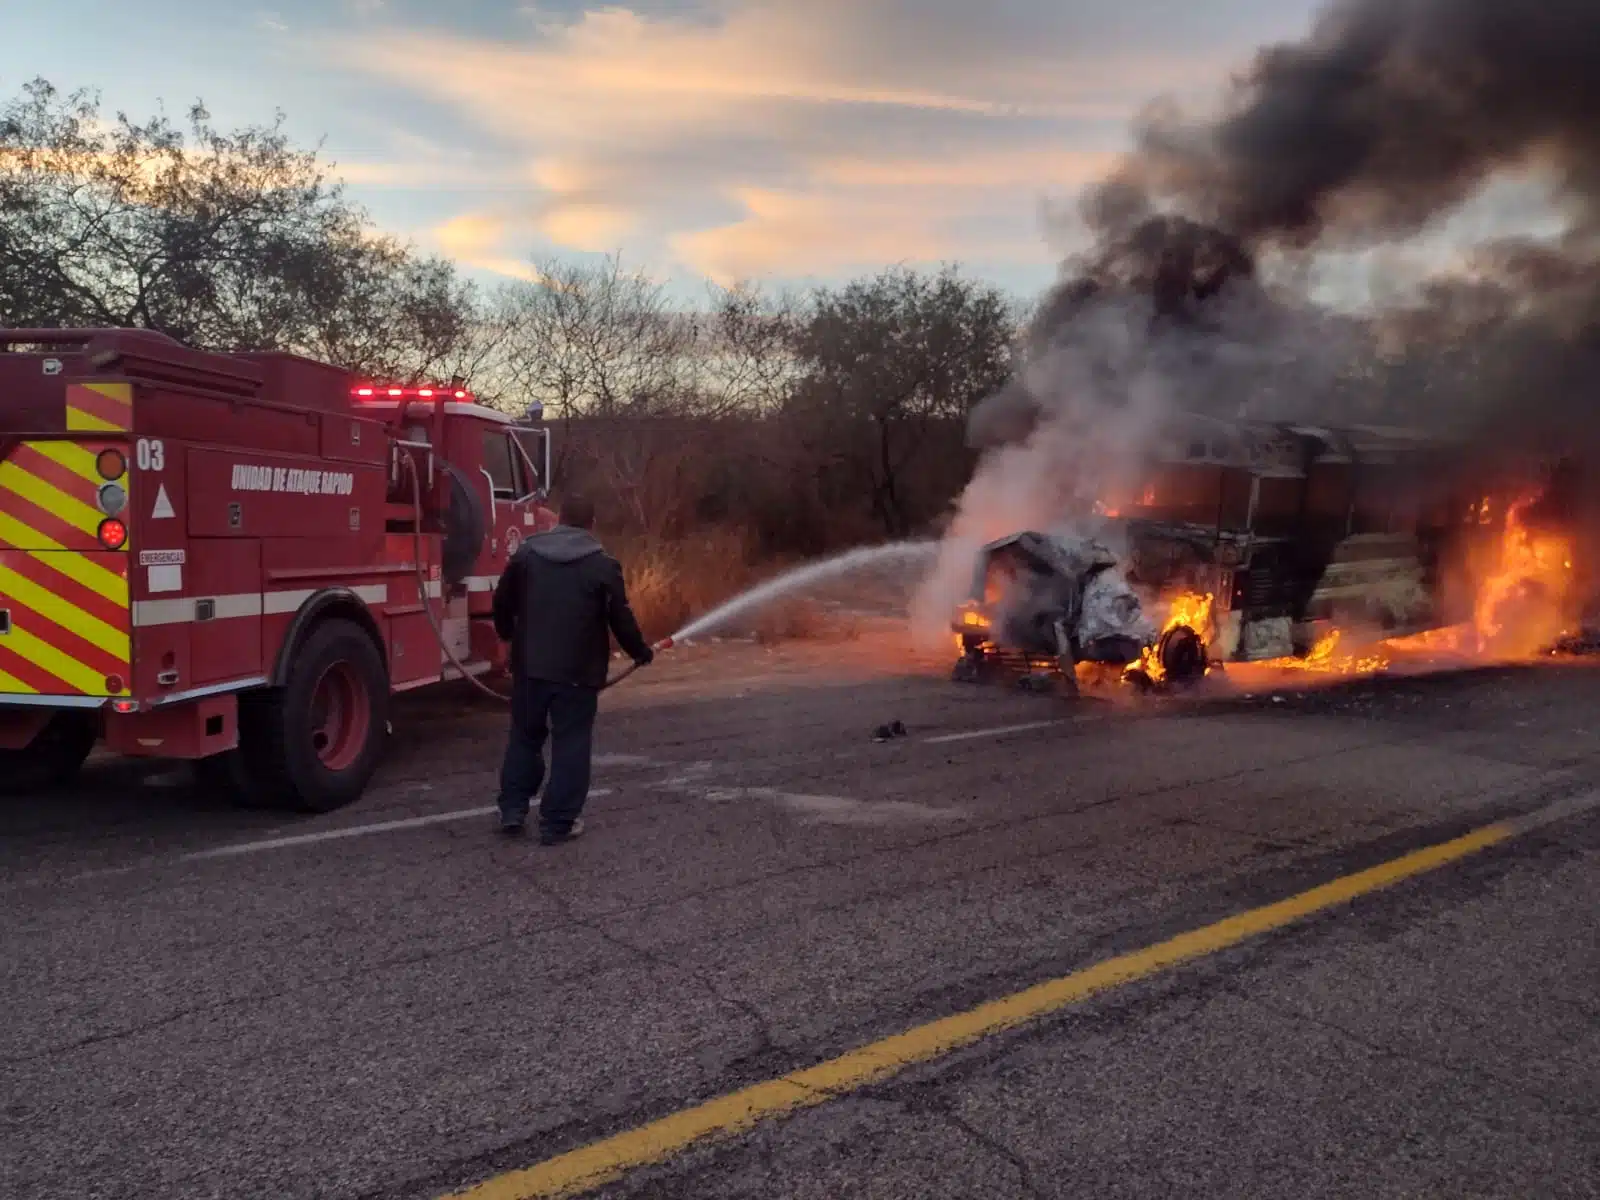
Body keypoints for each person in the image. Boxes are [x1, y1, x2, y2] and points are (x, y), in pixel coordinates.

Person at [491, 494, 653, 844]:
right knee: (571, 743)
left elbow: (501, 602)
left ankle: (512, 809)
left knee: (524, 737)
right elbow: (620, 619)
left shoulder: (527, 555)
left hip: (530, 668)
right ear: (591, 524)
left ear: (559, 518)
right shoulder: (602, 565)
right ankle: (558, 823)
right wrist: (640, 652)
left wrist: (506, 637)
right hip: (578, 675)